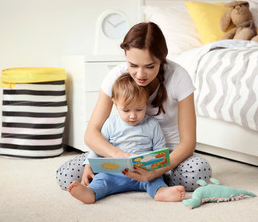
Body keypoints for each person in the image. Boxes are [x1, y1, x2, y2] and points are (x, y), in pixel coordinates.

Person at [56, 21, 212, 192]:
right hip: (122, 153)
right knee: (66, 177)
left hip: (168, 155)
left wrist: (156, 170)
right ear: (125, 56)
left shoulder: (178, 77)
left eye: (150, 66)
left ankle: (156, 179)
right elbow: (91, 133)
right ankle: (138, 181)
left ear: (162, 59)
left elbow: (188, 143)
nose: (140, 74)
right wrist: (118, 155)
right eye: (133, 65)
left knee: (197, 174)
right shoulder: (116, 77)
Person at [67, 73, 185, 203]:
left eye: (139, 109)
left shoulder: (152, 125)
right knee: (101, 179)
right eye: (126, 110)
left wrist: (157, 169)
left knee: (156, 181)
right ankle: (91, 193)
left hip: (144, 173)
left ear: (146, 104)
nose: (133, 116)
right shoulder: (110, 124)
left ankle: (160, 192)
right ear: (116, 105)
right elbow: (97, 148)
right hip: (114, 174)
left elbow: (160, 151)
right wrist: (88, 166)